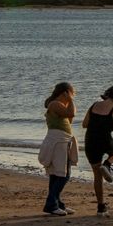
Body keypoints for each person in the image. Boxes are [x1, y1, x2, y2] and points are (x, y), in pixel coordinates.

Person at [84, 84, 113, 213]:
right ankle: (108, 164)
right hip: (105, 141)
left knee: (97, 176)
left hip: (90, 142)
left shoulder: (94, 105)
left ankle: (101, 207)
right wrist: (111, 122)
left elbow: (85, 124)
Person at [39, 82, 77, 216]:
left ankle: (57, 203)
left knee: (57, 174)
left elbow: (69, 120)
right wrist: (71, 101)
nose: (73, 96)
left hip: (61, 141)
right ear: (65, 93)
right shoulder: (55, 104)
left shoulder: (60, 105)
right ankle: (51, 204)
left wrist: (69, 102)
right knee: (63, 175)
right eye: (72, 94)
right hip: (58, 142)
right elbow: (72, 113)